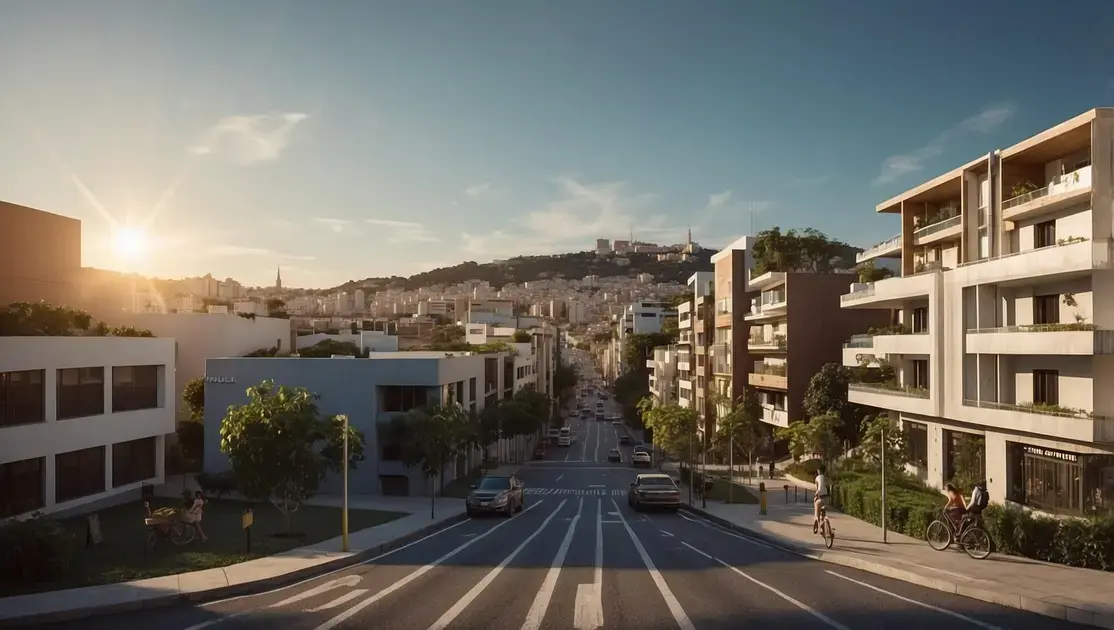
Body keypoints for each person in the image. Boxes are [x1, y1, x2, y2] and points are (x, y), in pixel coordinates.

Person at [812, 467, 828, 534]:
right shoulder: (825, 477)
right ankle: (822, 529)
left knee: (817, 513)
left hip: (820, 498)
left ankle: (816, 526)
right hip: (827, 498)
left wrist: (815, 497)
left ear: (817, 472)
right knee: (823, 513)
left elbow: (818, 489)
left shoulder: (816, 479)